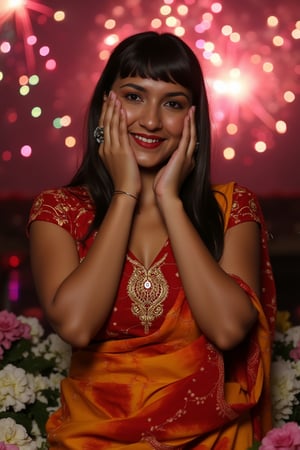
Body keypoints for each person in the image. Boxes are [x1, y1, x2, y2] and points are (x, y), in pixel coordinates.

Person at [28, 31, 276, 449]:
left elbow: (230, 329)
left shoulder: (231, 208)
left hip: (211, 440)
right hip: (91, 439)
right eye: (134, 96)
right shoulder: (60, 210)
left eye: (173, 103)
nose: (151, 121)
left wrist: (170, 201)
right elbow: (76, 324)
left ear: (193, 119)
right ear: (105, 104)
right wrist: (126, 193)